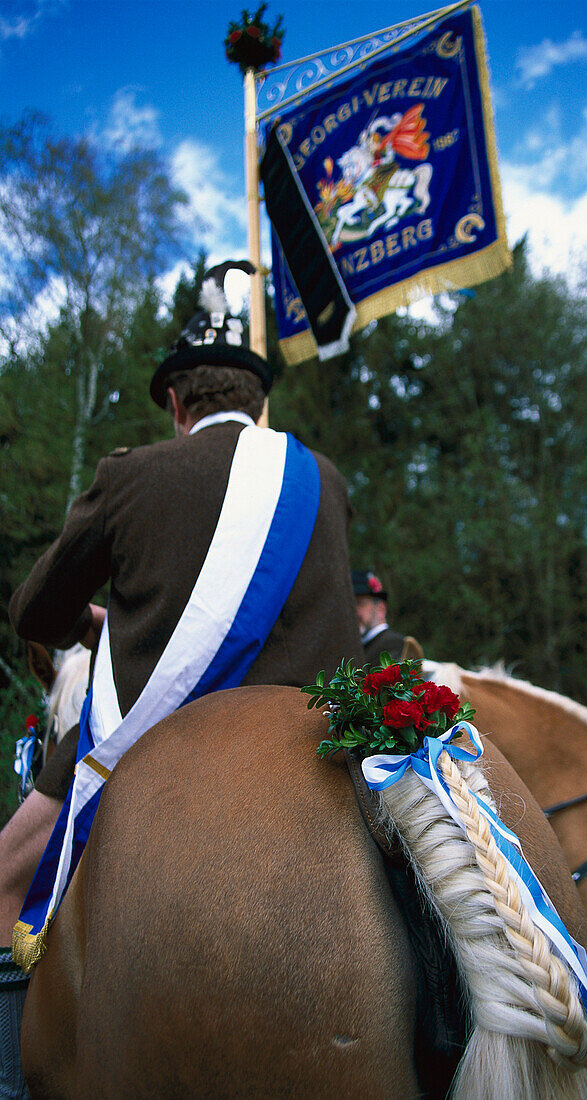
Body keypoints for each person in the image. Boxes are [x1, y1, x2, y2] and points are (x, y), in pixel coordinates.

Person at [0, 265, 363, 1096]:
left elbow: (34, 614)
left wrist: (83, 626)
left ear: (176, 404)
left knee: (7, 874)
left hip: (150, 743)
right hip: (324, 750)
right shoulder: (324, 479)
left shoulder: (132, 474)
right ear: (255, 400)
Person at [352, 569, 422, 665]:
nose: (353, 611)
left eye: (360, 604)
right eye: (350, 605)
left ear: (381, 608)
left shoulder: (395, 645)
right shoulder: (359, 646)